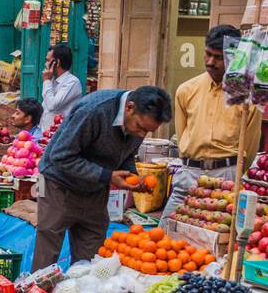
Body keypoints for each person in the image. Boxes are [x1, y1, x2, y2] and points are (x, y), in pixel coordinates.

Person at [32, 85, 173, 270]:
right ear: (129, 107)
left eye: (147, 131)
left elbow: (127, 154)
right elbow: (61, 156)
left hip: (95, 189)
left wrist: (132, 176)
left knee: (92, 258)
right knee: (47, 251)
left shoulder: (137, 124)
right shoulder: (94, 110)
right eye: (140, 127)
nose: (141, 135)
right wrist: (107, 175)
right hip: (59, 185)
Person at [163, 24, 262, 218]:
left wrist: (234, 172)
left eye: (218, 58)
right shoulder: (186, 89)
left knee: (216, 238)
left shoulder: (248, 97)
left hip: (227, 177)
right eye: (207, 54)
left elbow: (250, 147)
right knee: (167, 233)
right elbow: (182, 136)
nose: (210, 62)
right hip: (189, 173)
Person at [41, 43, 83, 120]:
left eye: (47, 61)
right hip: (46, 130)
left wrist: (46, 81)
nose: (45, 64)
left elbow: (52, 106)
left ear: (57, 62)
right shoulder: (52, 80)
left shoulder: (72, 82)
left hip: (60, 130)